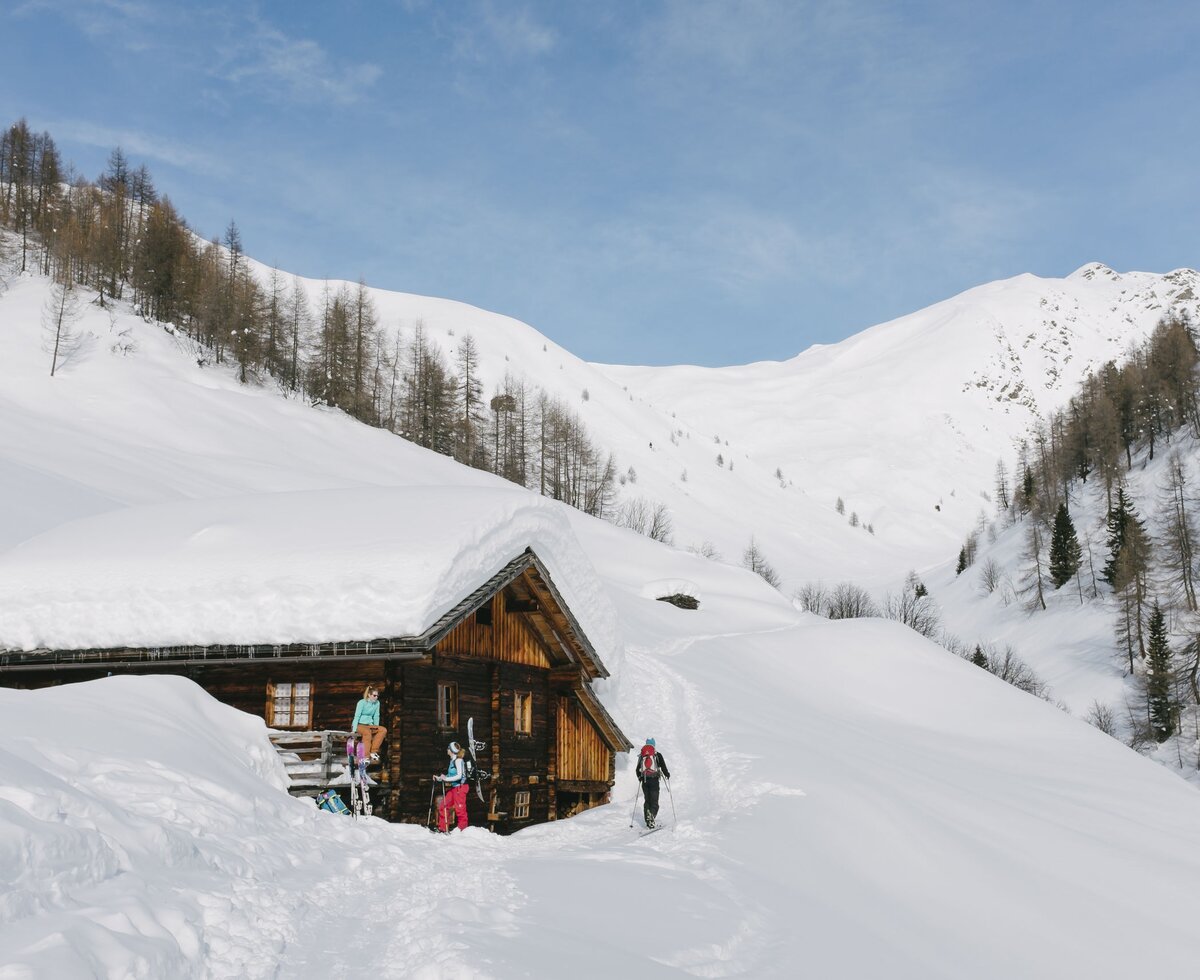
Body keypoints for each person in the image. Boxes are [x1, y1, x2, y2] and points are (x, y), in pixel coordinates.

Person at [434, 740, 469, 832]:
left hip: (460, 788)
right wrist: (439, 778)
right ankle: (442, 829)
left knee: (460, 809)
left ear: (451, 750)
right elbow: (450, 776)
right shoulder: (452, 760)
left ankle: (462, 830)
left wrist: (446, 779)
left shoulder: (458, 760)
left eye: (448, 748)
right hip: (454, 788)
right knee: (443, 806)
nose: (447, 750)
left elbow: (459, 775)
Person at [636, 737, 670, 829]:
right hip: (654, 780)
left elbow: (637, 770)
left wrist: (640, 778)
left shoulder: (642, 755)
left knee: (647, 800)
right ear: (654, 745)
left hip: (645, 781)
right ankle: (651, 816)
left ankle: (648, 820)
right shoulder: (657, 754)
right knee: (654, 802)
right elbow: (663, 766)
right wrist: (667, 775)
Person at [351, 685, 387, 763]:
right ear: (369, 695)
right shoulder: (362, 702)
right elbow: (357, 716)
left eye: (377, 695)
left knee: (383, 730)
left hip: (369, 725)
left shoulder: (377, 703)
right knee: (367, 732)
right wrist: (354, 730)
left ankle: (373, 752)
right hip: (359, 725)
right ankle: (365, 756)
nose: (376, 697)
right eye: (374, 695)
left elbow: (376, 716)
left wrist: (376, 727)